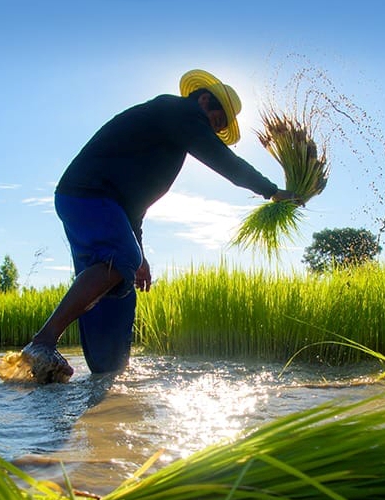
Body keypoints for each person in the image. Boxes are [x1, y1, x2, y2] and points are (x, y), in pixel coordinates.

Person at [21, 68, 297, 383]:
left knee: (117, 292)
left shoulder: (169, 141)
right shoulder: (176, 111)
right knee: (119, 261)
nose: (212, 131)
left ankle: (92, 377)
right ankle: (42, 343)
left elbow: (135, 205)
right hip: (86, 196)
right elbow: (223, 161)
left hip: (106, 207)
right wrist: (272, 191)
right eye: (215, 122)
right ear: (204, 100)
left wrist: (139, 254)